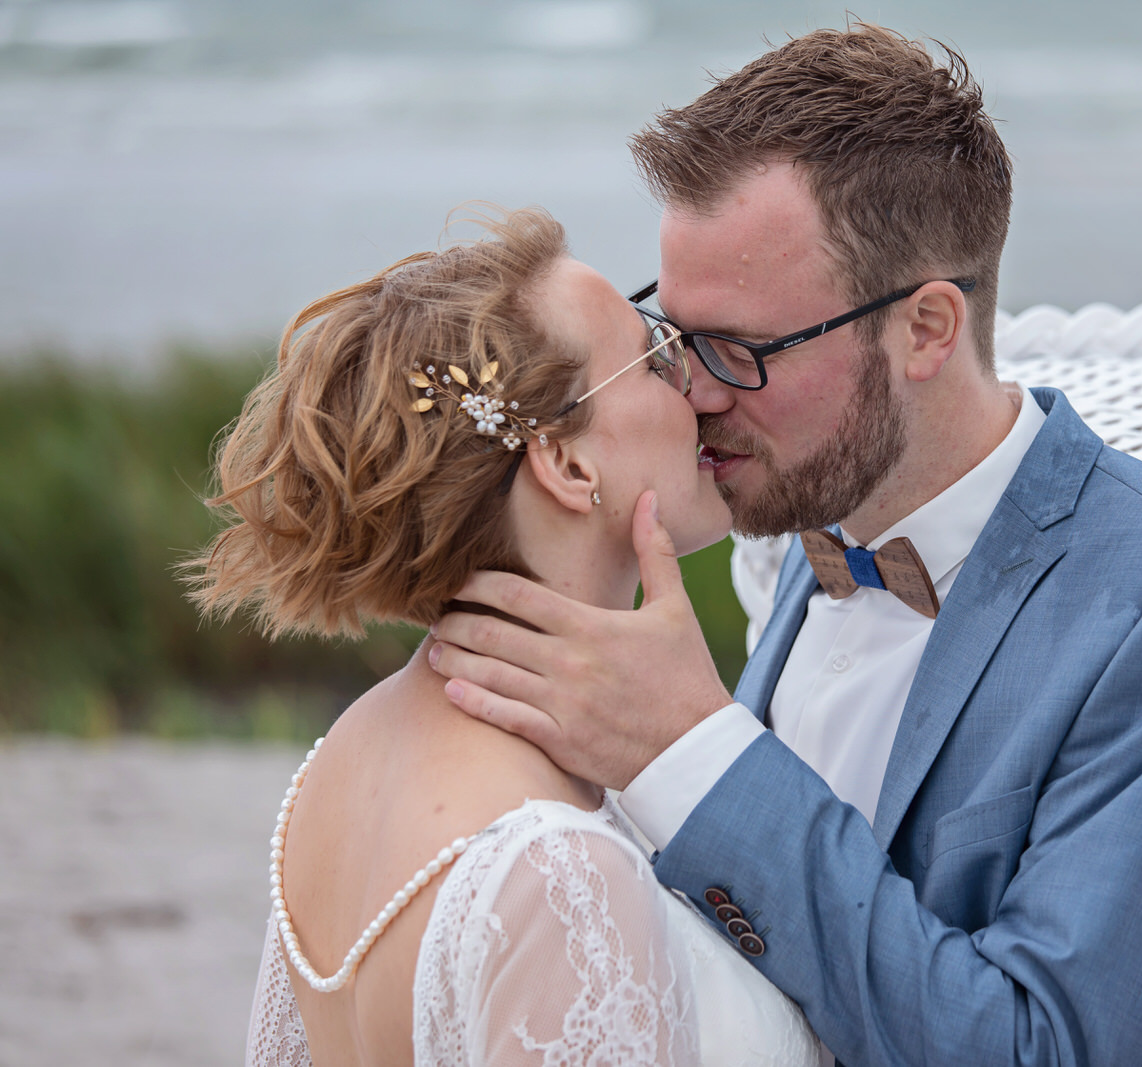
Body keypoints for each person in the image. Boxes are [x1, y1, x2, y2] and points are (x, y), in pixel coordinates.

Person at [427, 25, 1142, 1067]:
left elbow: (1041, 1047)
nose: (696, 391)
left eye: (742, 349)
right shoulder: (806, 517)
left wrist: (693, 747)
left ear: (927, 330)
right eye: (672, 337)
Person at [188, 207, 823, 1065]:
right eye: (655, 358)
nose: (702, 388)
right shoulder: (560, 874)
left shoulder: (337, 764)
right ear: (565, 463)